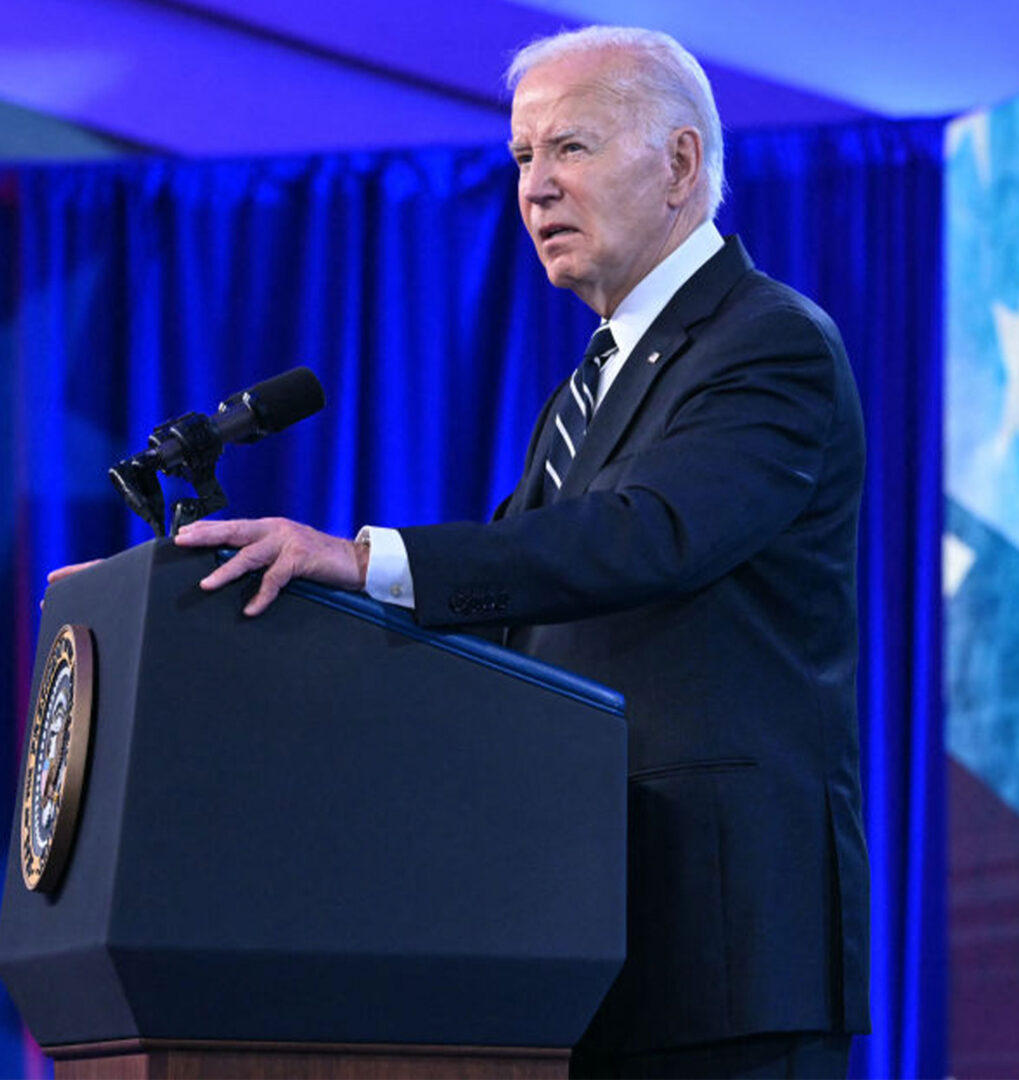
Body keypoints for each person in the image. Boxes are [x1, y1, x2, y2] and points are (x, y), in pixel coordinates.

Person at [162, 25, 870, 1080]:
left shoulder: (768, 342)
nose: (536, 189)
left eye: (570, 150)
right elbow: (510, 596)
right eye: (523, 160)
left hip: (723, 941)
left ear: (679, 163)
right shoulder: (592, 382)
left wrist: (359, 559)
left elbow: (647, 534)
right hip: (590, 925)